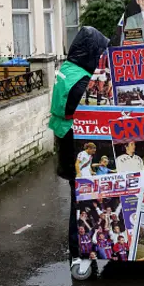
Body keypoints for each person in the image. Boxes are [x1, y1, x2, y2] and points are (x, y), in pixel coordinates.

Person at [48, 26, 109, 263]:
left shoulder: (68, 69)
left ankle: (82, 250)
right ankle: (78, 253)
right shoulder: (81, 80)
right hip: (74, 145)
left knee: (78, 198)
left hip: (66, 142)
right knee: (80, 201)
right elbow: (93, 109)